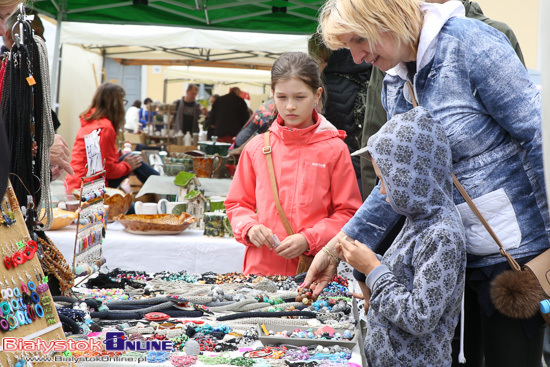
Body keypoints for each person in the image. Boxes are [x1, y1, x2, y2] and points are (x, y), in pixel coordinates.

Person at [305, 0, 548, 366]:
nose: (356, 57)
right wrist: (336, 248)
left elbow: (539, 138)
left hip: (515, 257)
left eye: (358, 39)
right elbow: (398, 181)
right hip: (448, 258)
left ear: (385, 19)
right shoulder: (393, 80)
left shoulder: (471, 44)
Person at [335, 106, 466, 366]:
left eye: (384, 180)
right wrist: (366, 265)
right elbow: (406, 274)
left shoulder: (442, 235)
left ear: (411, 179)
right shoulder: (416, 219)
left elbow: (420, 316)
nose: (382, 191)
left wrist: (373, 269)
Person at [225, 52, 362, 276]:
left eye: (299, 97)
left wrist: (309, 239)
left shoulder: (335, 149)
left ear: (317, 95)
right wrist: (249, 227)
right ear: (272, 95)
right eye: (281, 97)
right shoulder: (256, 147)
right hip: (260, 271)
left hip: (312, 273)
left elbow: (348, 213)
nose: (290, 106)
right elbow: (237, 205)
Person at [65, 83, 159, 193]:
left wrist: (118, 156)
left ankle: (159, 184)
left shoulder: (92, 123)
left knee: (131, 158)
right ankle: (161, 185)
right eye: (122, 102)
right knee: (135, 160)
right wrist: (128, 165)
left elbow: (99, 159)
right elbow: (107, 170)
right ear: (116, 104)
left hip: (77, 183)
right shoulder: (105, 127)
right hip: (88, 187)